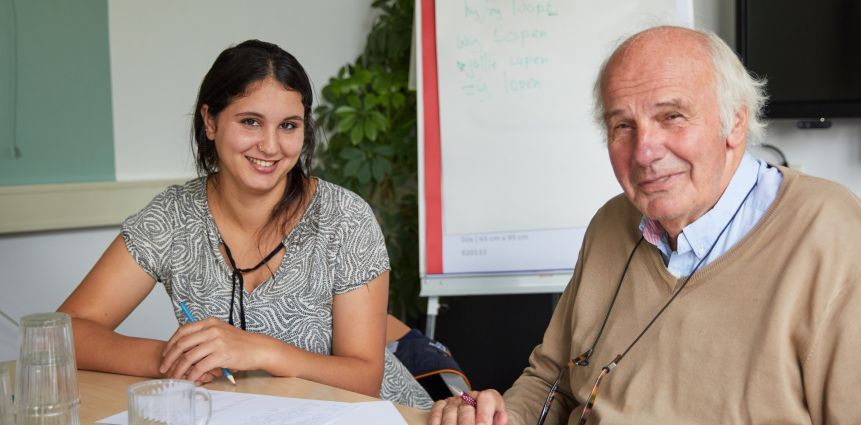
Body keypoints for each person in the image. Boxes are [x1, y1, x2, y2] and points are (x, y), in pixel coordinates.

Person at [429, 26, 861, 424]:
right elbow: (550, 382)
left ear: (734, 121)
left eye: (672, 116)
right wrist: (499, 417)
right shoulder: (611, 223)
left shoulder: (831, 233)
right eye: (623, 125)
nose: (645, 151)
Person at [57, 39, 433, 410]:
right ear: (209, 121)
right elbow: (67, 332)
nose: (270, 146)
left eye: (288, 125)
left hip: (382, 415)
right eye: (250, 122)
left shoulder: (345, 218)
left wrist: (260, 350)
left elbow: (365, 378)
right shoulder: (172, 217)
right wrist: (174, 357)